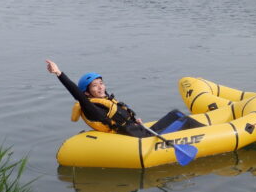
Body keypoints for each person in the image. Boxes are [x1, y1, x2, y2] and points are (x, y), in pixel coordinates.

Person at [45, 59, 203, 138]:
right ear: (87, 93)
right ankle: (208, 135)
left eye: (101, 83)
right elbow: (76, 93)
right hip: (139, 138)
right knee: (185, 121)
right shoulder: (92, 108)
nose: (100, 87)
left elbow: (121, 115)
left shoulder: (106, 102)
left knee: (176, 114)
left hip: (139, 130)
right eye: (94, 86)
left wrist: (135, 121)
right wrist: (58, 73)